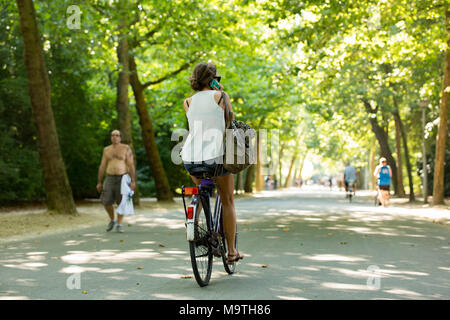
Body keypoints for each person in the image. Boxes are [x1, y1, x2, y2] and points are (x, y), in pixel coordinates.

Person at [180, 62, 243, 264]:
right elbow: (229, 123)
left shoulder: (187, 102)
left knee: (201, 191)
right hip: (216, 157)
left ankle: (193, 224)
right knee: (227, 200)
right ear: (213, 78)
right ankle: (232, 251)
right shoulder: (221, 97)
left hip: (190, 157)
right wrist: (222, 94)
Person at [97, 130, 136, 233]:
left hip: (122, 178)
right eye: (113, 135)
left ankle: (119, 223)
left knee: (122, 201)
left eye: (117, 135)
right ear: (111, 137)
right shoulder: (106, 150)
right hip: (109, 177)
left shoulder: (126, 148)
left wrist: (132, 181)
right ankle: (112, 219)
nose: (115, 137)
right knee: (106, 200)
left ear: (120, 137)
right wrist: (99, 181)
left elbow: (131, 165)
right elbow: (102, 166)